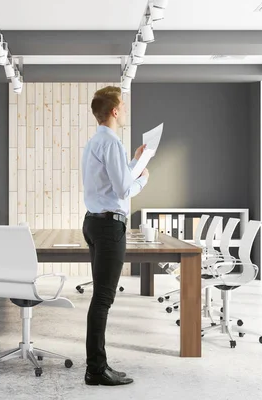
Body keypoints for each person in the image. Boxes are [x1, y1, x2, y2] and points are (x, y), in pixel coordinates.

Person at [81, 86, 149, 386]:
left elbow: (113, 180)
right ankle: (96, 368)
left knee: (100, 296)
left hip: (95, 222)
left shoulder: (96, 141)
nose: (125, 109)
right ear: (115, 110)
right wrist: (143, 180)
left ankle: (99, 364)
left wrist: (135, 162)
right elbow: (123, 189)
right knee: (103, 298)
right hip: (109, 226)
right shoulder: (111, 142)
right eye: (123, 105)